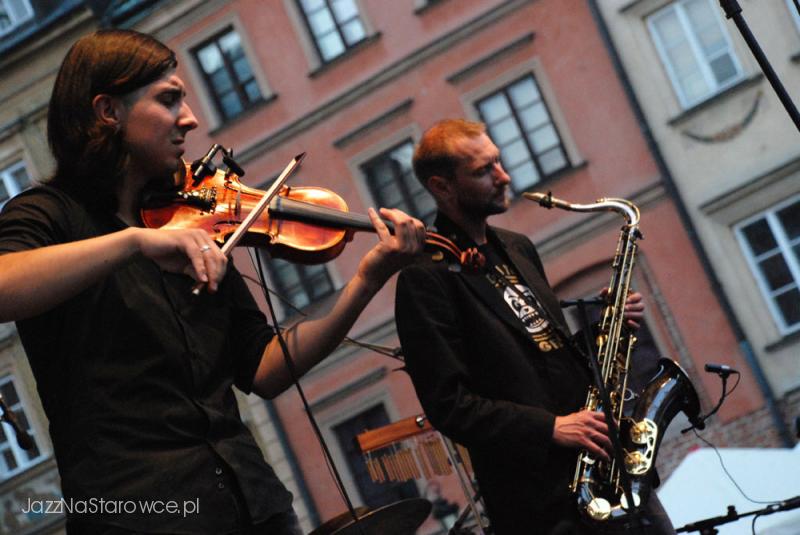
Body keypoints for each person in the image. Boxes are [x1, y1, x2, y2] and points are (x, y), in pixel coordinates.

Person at [0, 30, 426, 534]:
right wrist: (134, 242)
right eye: (169, 100)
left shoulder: (193, 219)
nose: (191, 118)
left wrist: (366, 281)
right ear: (108, 110)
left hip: (255, 504)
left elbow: (265, 368)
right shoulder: (48, 214)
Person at [394, 119, 674, 534]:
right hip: (541, 503)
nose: (504, 176)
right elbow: (449, 405)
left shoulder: (517, 247)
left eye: (498, 161)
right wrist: (551, 428)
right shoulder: (424, 278)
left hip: (605, 470)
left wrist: (609, 327)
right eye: (483, 170)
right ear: (442, 187)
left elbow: (548, 359)